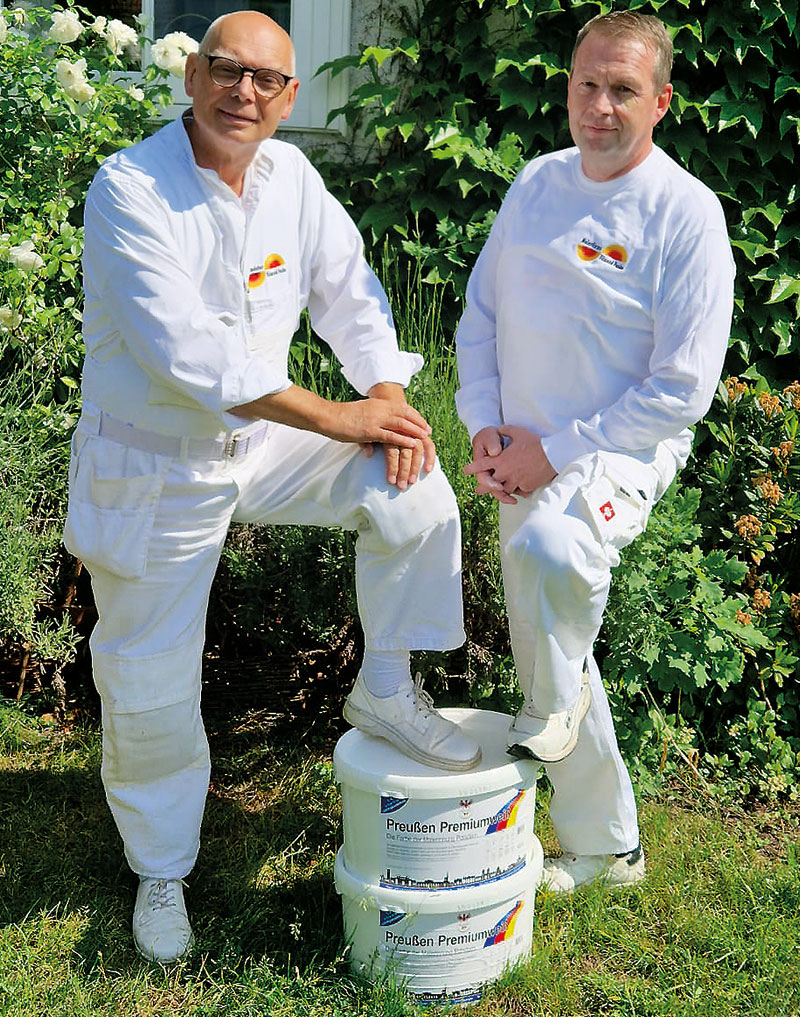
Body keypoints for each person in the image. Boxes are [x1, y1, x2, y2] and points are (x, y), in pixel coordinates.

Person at [63, 10, 481, 964]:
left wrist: (385, 394)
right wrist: (341, 417)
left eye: (265, 80)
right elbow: (186, 357)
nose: (242, 92)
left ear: (290, 99)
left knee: (412, 488)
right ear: (192, 76)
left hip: (257, 442)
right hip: (154, 462)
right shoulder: (130, 187)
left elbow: (349, 290)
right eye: (225, 70)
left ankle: (384, 687)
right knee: (149, 677)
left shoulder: (292, 176)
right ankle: (161, 866)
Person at [456, 11, 734, 892]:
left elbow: (682, 388)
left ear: (662, 102)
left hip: (622, 447)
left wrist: (557, 450)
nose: (600, 105)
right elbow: (482, 316)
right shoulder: (536, 184)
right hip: (518, 446)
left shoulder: (687, 214)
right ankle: (609, 850)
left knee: (547, 555)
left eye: (623, 89)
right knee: (548, 637)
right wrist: (485, 426)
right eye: (587, 83)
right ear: (567, 84)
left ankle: (553, 705)